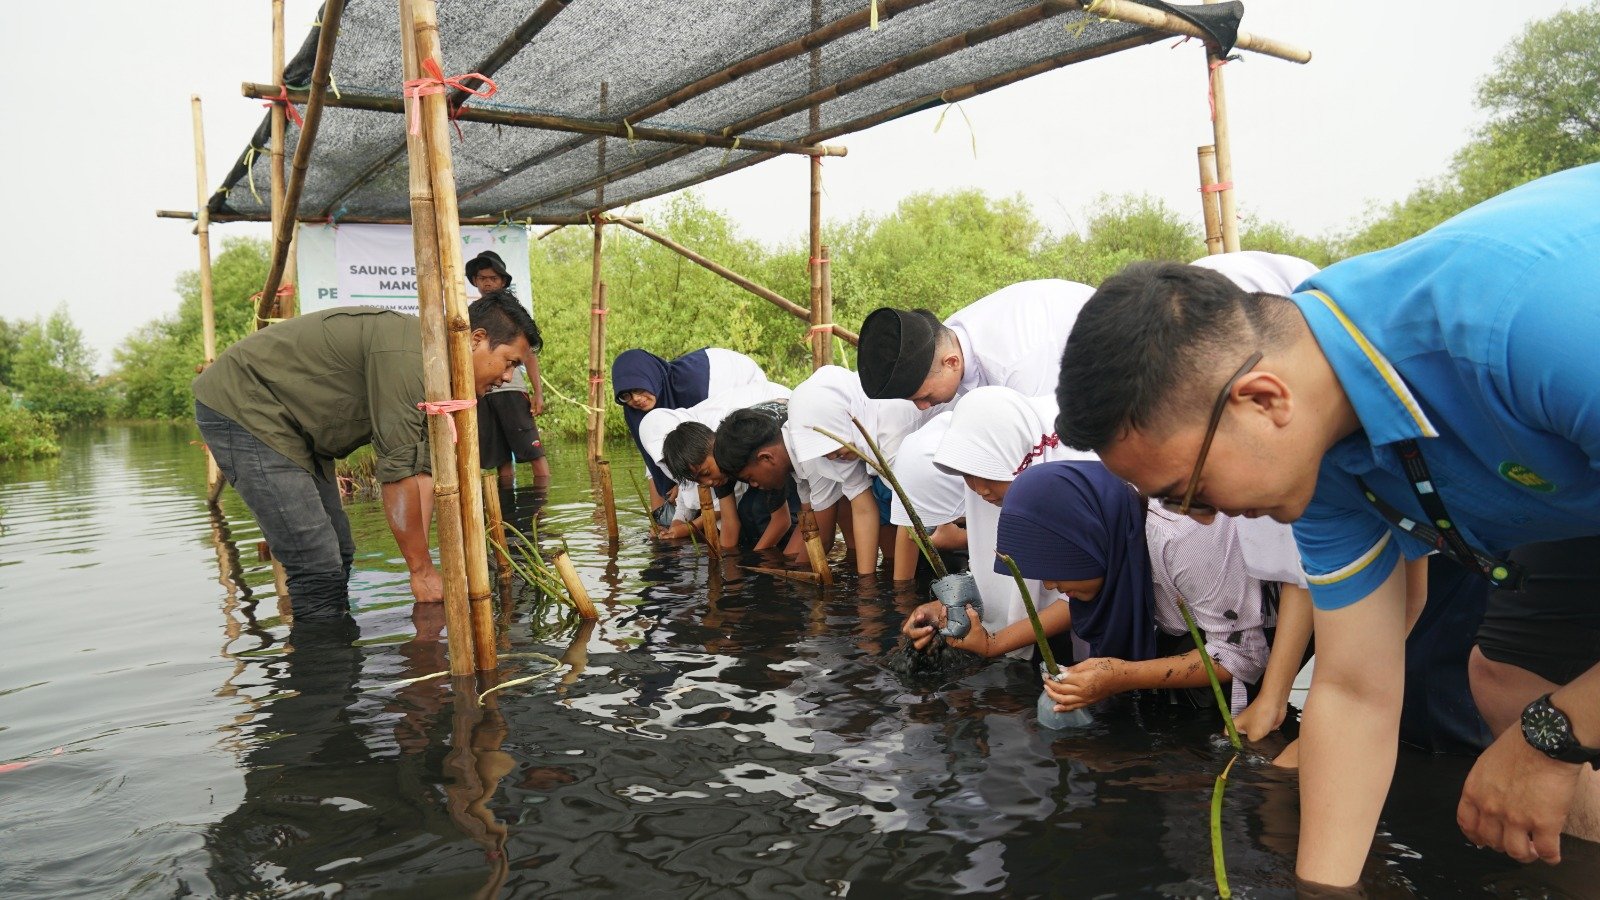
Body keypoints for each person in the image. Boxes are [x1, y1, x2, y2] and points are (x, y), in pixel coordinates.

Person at [1052, 163, 1600, 887]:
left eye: (1189, 491)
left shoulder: (1536, 326)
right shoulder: (1324, 464)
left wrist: (1552, 737)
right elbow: (1354, 690)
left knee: (1551, 727)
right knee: (1505, 681)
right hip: (1566, 486)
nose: (1203, 518)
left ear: (1262, 399)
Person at [194, 293, 540, 619]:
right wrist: (420, 571)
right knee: (315, 562)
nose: (507, 377)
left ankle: (338, 646)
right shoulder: (412, 360)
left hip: (296, 429)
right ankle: (322, 660)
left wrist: (424, 566)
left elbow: (419, 471)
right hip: (246, 406)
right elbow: (398, 474)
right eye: (509, 363)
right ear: (477, 339)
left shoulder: (436, 370)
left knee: (340, 551)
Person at [855, 279, 1093, 409]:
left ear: (951, 362)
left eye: (924, 396)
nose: (923, 407)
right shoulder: (950, 339)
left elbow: (1049, 440)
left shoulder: (1016, 364)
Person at [786, 365, 932, 575]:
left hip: (941, 484)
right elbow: (862, 507)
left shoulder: (889, 420)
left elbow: (908, 513)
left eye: (832, 449)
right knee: (881, 497)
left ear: (841, 420)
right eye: (825, 453)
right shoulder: (842, 440)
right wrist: (866, 584)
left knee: (888, 497)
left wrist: (901, 589)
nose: (832, 458)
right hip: (908, 488)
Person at [638, 381, 793, 550]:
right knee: (747, 510)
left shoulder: (743, 454)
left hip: (789, 433)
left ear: (713, 447)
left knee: (758, 509)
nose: (708, 482)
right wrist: (725, 560)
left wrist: (759, 558)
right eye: (699, 480)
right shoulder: (718, 471)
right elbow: (730, 522)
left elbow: (782, 520)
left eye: (706, 472)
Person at [611, 347, 766, 506]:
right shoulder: (637, 413)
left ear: (650, 378)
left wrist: (686, 489)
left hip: (738, 385)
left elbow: (709, 449)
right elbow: (654, 455)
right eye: (626, 396)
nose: (636, 399)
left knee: (734, 473)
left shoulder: (693, 387)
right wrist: (661, 509)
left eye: (638, 389)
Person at [466, 251, 549, 486]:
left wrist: (538, 392)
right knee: (498, 456)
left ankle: (541, 504)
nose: (487, 283)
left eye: (493, 278)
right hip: (481, 393)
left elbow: (529, 355)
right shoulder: (471, 314)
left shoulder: (513, 316)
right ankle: (504, 505)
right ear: (474, 281)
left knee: (532, 450)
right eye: (482, 278)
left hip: (511, 393)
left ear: (503, 281)